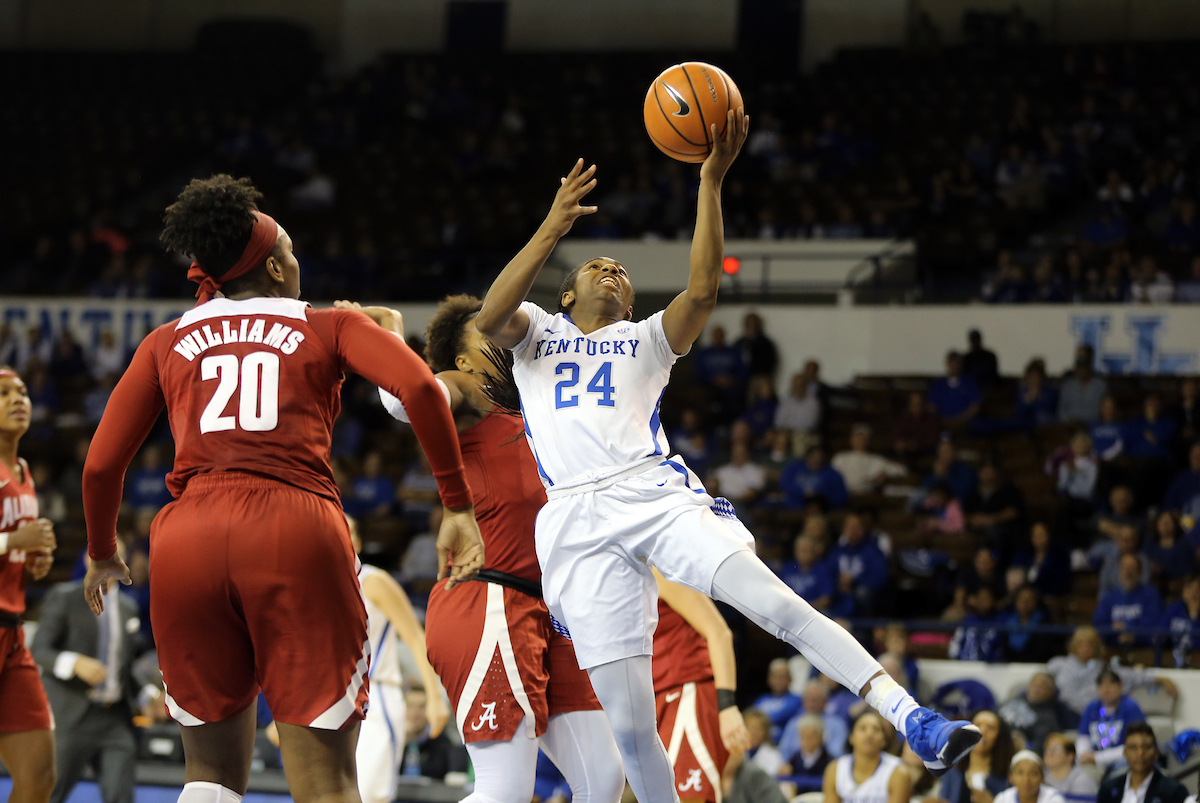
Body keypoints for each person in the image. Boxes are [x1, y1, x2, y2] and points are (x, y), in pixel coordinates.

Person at [474, 142, 980, 802]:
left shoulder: (649, 338)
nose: (613, 269)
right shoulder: (538, 331)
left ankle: (912, 715)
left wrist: (709, 182)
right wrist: (554, 225)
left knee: (775, 603)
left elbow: (706, 288)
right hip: (572, 517)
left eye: (622, 270)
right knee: (630, 724)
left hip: (650, 490)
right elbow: (486, 317)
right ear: (568, 290)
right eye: (599, 265)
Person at [79, 175, 485, 803]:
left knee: (208, 779)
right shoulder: (329, 326)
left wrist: (103, 549)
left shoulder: (165, 340)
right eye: (292, 254)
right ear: (273, 265)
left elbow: (101, 466)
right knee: (326, 782)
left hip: (187, 535)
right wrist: (455, 502)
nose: (299, 264)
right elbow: (425, 391)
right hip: (292, 526)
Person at [363, 295, 624, 803]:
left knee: (604, 778)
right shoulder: (466, 391)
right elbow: (408, 398)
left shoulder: (542, 402)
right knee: (504, 790)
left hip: (554, 611)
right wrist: (390, 338)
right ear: (461, 360)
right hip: (490, 600)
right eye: (489, 334)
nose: (505, 337)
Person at [31, 540, 164, 803]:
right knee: (48, 794)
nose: (108, 562)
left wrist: (149, 695)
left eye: (116, 556)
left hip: (115, 719)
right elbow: (39, 649)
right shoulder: (65, 597)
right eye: (100, 555)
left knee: (120, 796)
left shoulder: (128, 608)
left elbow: (124, 667)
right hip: (72, 715)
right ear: (87, 560)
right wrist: (74, 663)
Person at [348, 514, 450, 803]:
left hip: (376, 696)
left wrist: (435, 697)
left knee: (369, 796)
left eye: (351, 531)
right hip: (335, 700)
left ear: (358, 541)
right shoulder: (316, 588)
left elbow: (417, 638)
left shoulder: (374, 581)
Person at [0, 366, 58, 803]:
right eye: (2, 394)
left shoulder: (22, 470)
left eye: (21, 391)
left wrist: (33, 558)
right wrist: (11, 541)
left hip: (12, 633)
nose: (17, 399)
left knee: (38, 774)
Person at [652, 570, 751, 803]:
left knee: (690, 797)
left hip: (687, 693)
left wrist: (727, 707)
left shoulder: (658, 571)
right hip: (657, 699)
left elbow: (719, 633)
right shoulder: (617, 576)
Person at [1046, 626, 1177, 719]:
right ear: (1073, 645)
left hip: (1091, 715)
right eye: (1081, 643)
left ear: (1096, 647)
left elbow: (1131, 676)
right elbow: (1041, 681)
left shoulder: (1103, 668)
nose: (1085, 648)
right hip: (1064, 712)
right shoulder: (1059, 664)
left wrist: (1160, 679)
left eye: (1090, 644)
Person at [821, 711, 910, 803]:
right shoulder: (835, 769)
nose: (869, 734)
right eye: (862, 729)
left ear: (884, 740)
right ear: (851, 737)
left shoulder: (898, 772)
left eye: (876, 729)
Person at [1095, 722, 1188, 803]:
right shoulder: (1108, 788)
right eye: (1133, 747)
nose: (1140, 753)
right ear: (1124, 753)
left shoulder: (1174, 791)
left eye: (1146, 747)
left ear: (1156, 752)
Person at [937, 710, 1014, 803]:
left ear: (1000, 738)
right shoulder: (951, 771)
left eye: (990, 728)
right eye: (977, 725)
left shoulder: (1006, 779)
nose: (982, 731)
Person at [1077, 669, 1145, 772]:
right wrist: (1084, 754)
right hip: (1094, 760)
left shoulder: (1130, 707)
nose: (1106, 690)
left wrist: (1098, 758)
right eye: (1102, 686)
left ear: (1120, 687)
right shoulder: (1092, 707)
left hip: (1120, 760)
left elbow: (1134, 746)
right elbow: (1083, 737)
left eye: (1110, 686)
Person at [1093, 554, 1163, 646]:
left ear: (1140, 572)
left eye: (1132, 569)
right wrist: (1112, 628)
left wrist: (1131, 632)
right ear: (1120, 571)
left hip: (1143, 648)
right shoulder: (1110, 596)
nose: (1128, 572)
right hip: (1113, 646)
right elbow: (1098, 623)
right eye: (1125, 568)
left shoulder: (1150, 594)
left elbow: (1154, 623)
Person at [997, 673, 1073, 755]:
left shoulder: (1047, 719)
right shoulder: (1014, 700)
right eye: (1033, 684)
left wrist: (1023, 745)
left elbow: (1038, 749)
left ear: (1051, 692)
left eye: (1041, 687)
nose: (1035, 689)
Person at [831, 424, 907, 496]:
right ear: (851, 439)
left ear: (868, 440)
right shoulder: (840, 458)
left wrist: (884, 473)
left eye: (863, 438)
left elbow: (902, 470)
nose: (860, 440)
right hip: (844, 495)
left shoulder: (875, 459)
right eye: (857, 437)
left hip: (867, 496)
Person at [752, 659, 804, 743]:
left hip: (781, 745)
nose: (778, 680)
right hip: (760, 746)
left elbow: (779, 717)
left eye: (782, 677)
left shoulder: (796, 700)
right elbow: (751, 718)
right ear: (769, 679)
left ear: (790, 679)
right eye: (775, 676)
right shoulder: (762, 699)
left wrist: (762, 721)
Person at [779, 714, 833, 791]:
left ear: (821, 737)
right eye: (803, 736)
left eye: (811, 736)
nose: (807, 741)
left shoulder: (830, 762)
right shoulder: (793, 761)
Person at [928, 351, 982, 427]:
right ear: (947, 364)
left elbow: (975, 407)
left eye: (957, 362)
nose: (954, 366)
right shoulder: (938, 384)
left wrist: (958, 421)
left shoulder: (970, 383)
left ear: (961, 364)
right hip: (941, 425)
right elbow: (931, 407)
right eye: (951, 362)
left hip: (966, 425)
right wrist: (942, 421)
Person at [1041, 734, 1098, 801]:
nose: (1049, 754)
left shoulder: (1081, 780)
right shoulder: (1041, 777)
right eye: (1047, 749)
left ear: (1070, 756)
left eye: (1054, 750)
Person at [1058, 350, 1108, 424]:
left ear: (1090, 369)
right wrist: (1068, 420)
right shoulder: (1068, 385)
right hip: (1070, 425)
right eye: (1080, 368)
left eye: (1085, 367)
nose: (1082, 371)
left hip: (1092, 424)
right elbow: (1061, 409)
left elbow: (1103, 409)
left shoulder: (1100, 385)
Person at [994, 751, 1065, 803]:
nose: (1026, 780)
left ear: (1042, 778)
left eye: (1033, 773)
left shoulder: (1053, 799)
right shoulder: (1002, 799)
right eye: (1020, 773)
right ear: (1011, 777)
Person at [1162, 573, 1200, 668]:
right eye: (1189, 588)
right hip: (1173, 658)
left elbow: (1196, 644)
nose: (1193, 592)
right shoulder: (1174, 609)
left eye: (1197, 589)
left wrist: (1194, 618)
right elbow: (1158, 635)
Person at [743, 709, 786, 776]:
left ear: (765, 732)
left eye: (757, 729)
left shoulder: (773, 756)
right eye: (750, 728)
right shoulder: (734, 754)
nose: (753, 733)